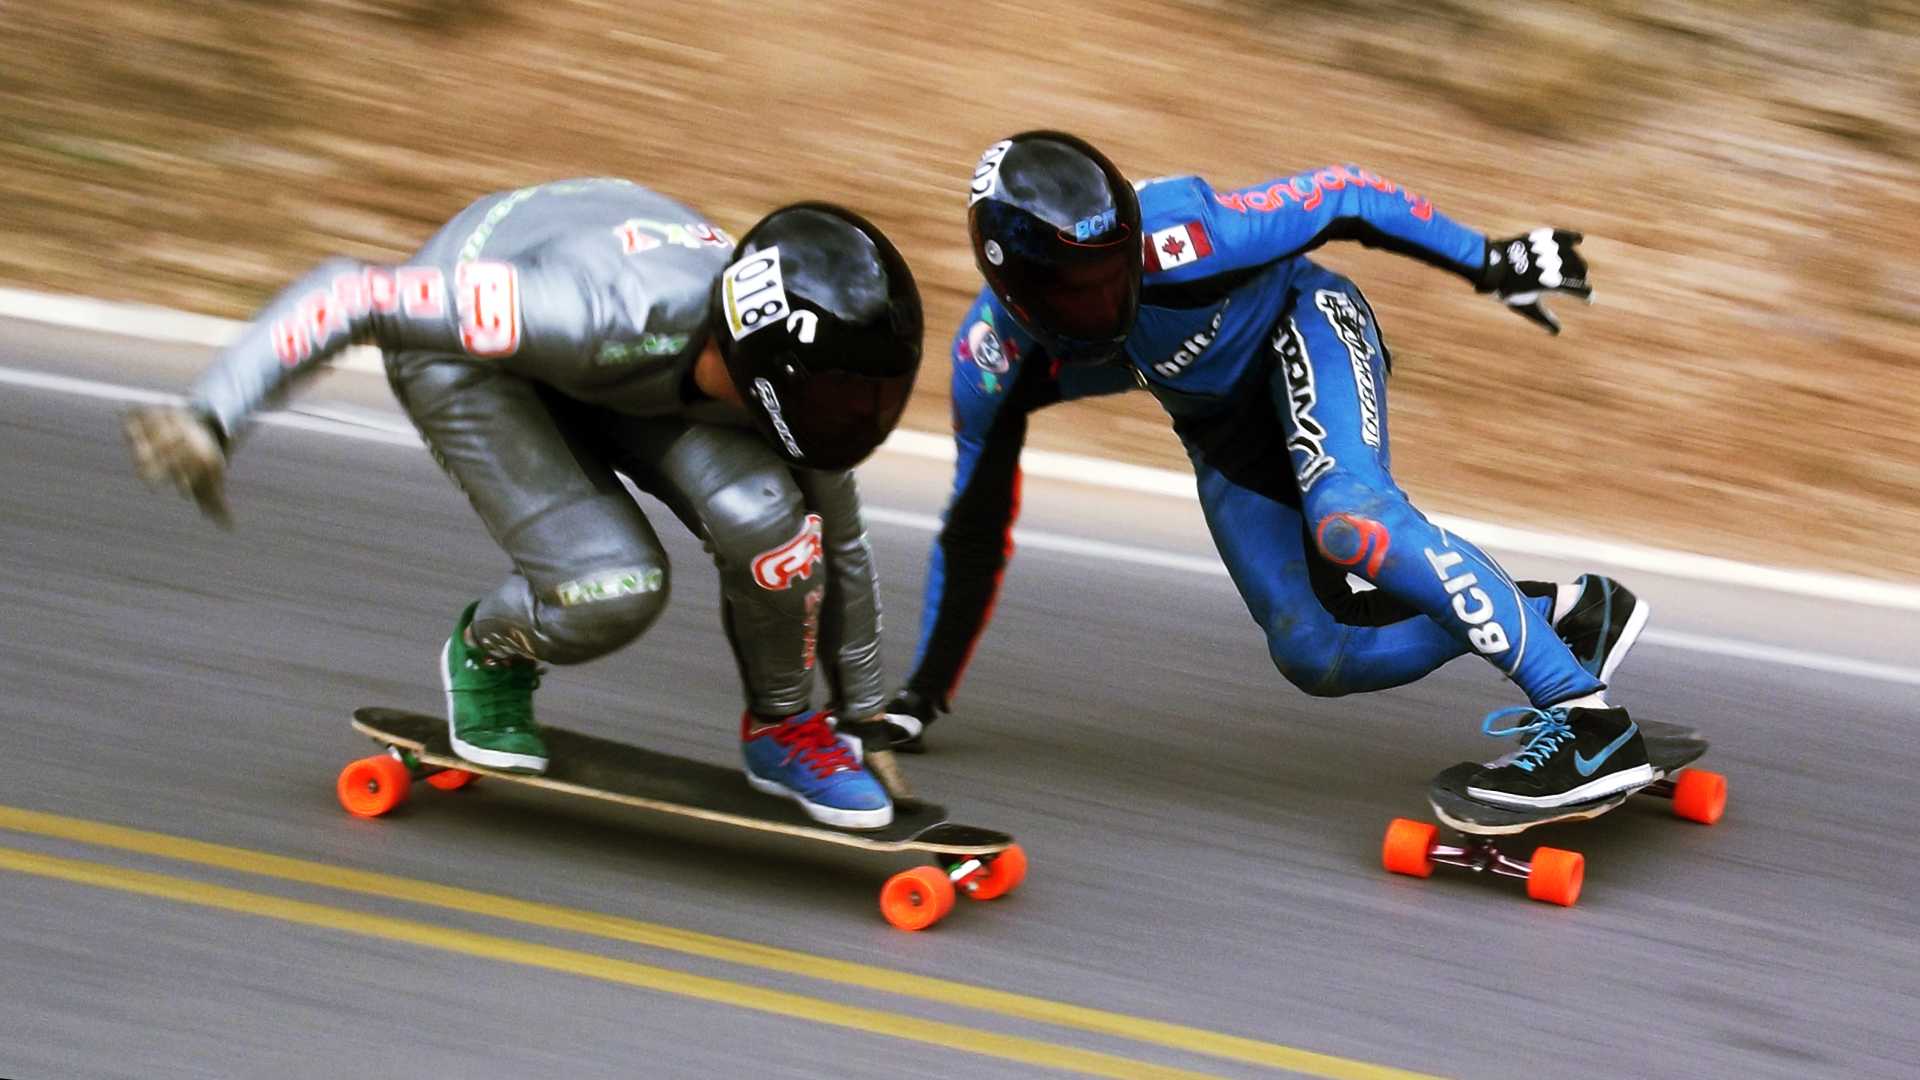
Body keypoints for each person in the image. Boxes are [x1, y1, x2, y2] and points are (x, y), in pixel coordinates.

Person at [884, 131, 1653, 810]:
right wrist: (925, 693)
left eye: (1117, 269)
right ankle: (1563, 616)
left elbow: (1346, 196)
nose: (1112, 298)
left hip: (1302, 323)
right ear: (1015, 295)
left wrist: (1489, 260)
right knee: (1320, 654)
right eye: (1080, 292)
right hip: (1221, 429)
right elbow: (974, 527)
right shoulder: (992, 362)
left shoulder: (1183, 231)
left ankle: (1587, 722)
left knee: (1351, 521)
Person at [124, 178, 924, 829]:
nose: (863, 419)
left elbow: (841, 547)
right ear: (772, 362)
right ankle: (488, 652)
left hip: (632, 366)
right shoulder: (586, 313)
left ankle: (785, 730)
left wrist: (859, 719)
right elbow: (352, 293)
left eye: (880, 396)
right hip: (475, 360)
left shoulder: (782, 388)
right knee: (614, 588)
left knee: (775, 526)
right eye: (848, 394)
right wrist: (213, 415)